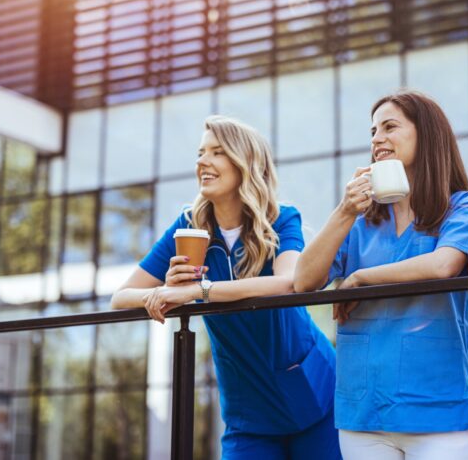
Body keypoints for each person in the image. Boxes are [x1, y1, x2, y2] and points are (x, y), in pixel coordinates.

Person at [111, 115, 340, 460]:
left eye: (217, 152)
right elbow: (121, 297)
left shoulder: (281, 218)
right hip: (248, 411)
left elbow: (289, 283)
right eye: (201, 153)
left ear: (244, 162)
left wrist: (198, 291)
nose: (202, 161)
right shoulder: (189, 225)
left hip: (315, 395)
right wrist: (166, 291)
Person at [293, 91, 468, 460]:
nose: (377, 139)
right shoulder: (359, 222)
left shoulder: (462, 206)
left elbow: (443, 265)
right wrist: (344, 211)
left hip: (437, 408)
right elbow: (304, 280)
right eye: (373, 131)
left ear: (426, 134)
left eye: (389, 127)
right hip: (363, 414)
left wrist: (362, 278)